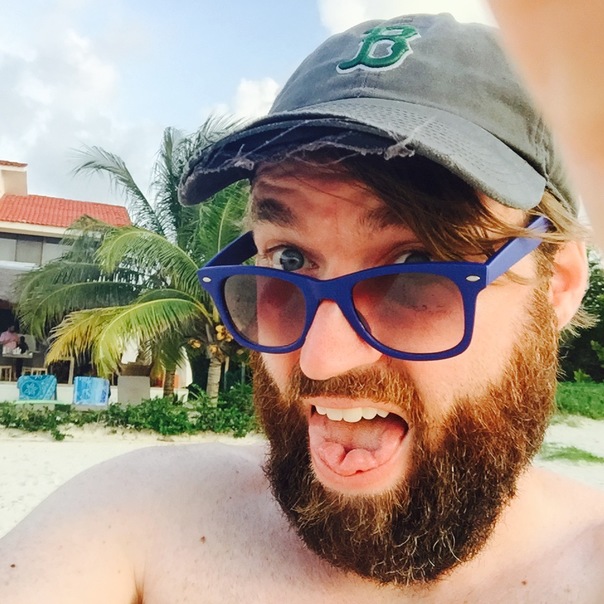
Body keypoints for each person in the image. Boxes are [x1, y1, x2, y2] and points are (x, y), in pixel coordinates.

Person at [1, 12, 603, 603]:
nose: (321, 357)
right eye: (289, 259)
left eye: (417, 263)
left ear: (559, 283)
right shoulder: (138, 518)